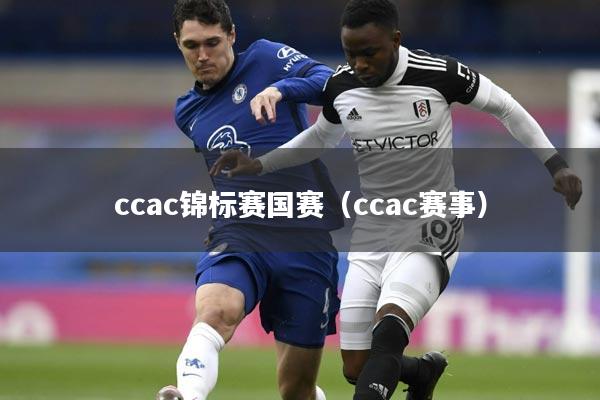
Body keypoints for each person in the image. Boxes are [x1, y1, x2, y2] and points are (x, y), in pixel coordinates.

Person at [210, 0, 583, 399]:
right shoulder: (342, 86)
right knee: (356, 366)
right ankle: (421, 373)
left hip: (431, 224)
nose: (360, 64)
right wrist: (259, 164)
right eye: (351, 54)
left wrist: (556, 164)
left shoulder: (439, 74)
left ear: (396, 40)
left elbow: (506, 108)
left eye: (369, 53)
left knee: (389, 330)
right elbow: (320, 139)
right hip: (373, 229)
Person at [156, 1, 345, 399]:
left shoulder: (266, 59)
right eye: (192, 46)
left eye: (212, 43)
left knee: (296, 390)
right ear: (177, 43)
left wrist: (280, 89)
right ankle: (188, 395)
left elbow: (329, 81)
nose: (202, 55)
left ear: (232, 36)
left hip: (304, 238)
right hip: (240, 232)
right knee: (215, 311)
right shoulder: (187, 112)